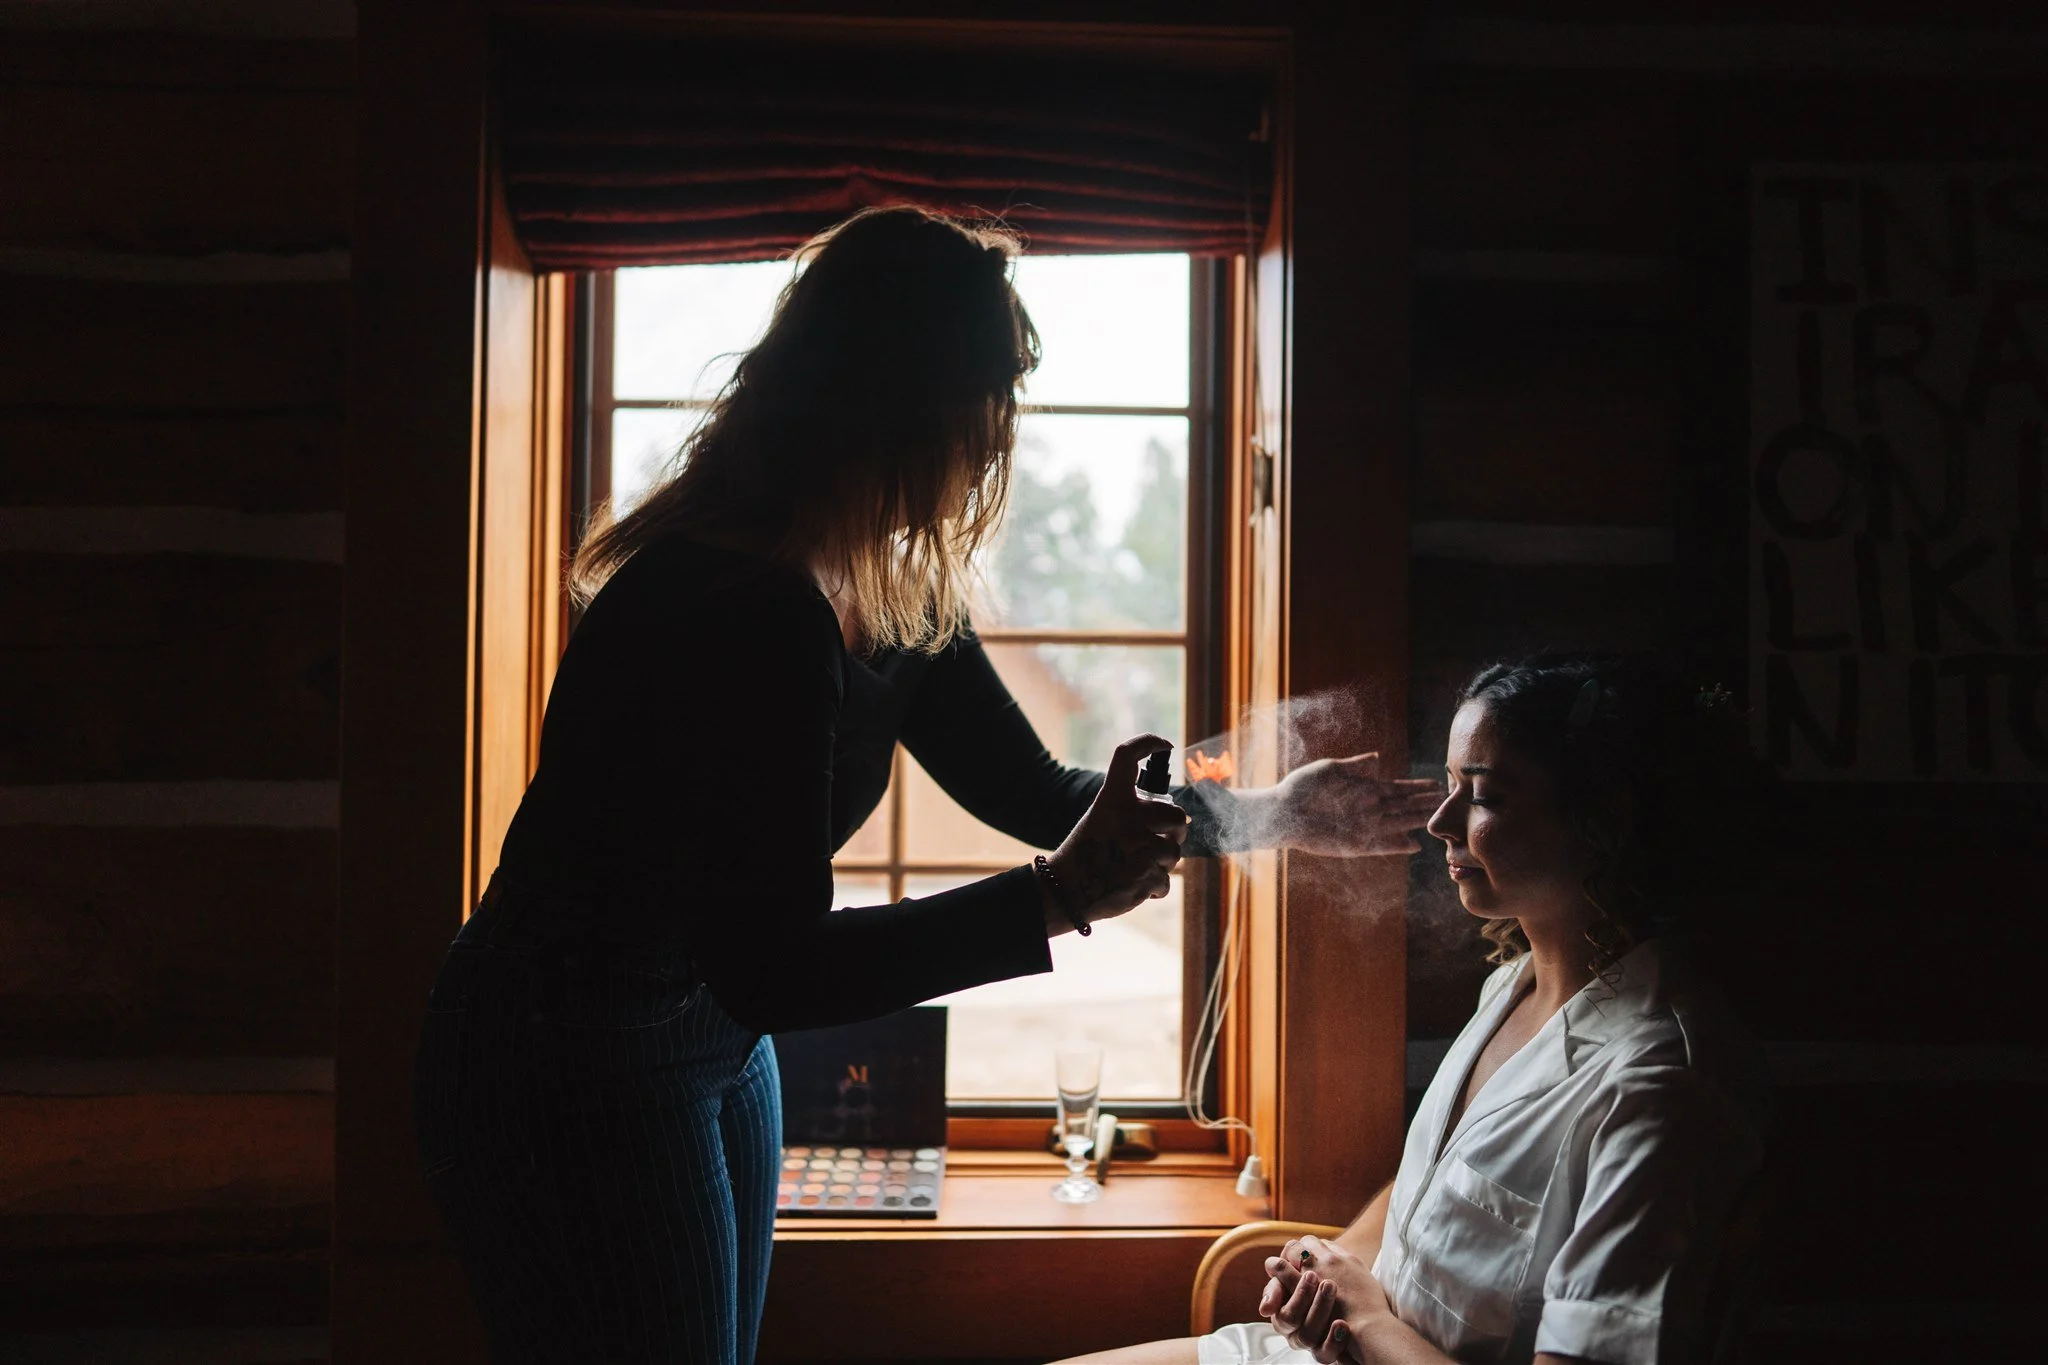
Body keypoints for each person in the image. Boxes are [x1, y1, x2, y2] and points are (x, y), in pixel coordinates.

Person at [412, 206, 1444, 1365]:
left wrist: (1269, 813)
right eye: (986, 402)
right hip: (567, 1054)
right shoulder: (731, 605)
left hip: (714, 1034)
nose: (998, 443)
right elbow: (778, 963)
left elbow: (1044, 791)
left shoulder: (893, 599)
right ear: (894, 400)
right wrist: (1054, 899)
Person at [1060, 653, 1770, 1365]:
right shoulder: (1512, 987)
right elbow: (1432, 1191)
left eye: (1484, 795)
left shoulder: (1660, 1083)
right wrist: (1331, 1270)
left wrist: (1368, 1322)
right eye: (1451, 784)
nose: (1440, 820)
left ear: (1600, 820)